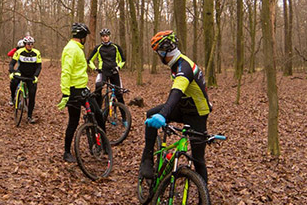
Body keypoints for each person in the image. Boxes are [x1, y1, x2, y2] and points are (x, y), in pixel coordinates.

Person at [139, 30, 213, 183]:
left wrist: (164, 114)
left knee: (198, 160)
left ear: (164, 52)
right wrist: (161, 113)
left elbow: (176, 92)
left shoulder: (183, 67)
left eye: (158, 53)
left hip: (197, 113)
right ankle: (146, 160)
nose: (158, 57)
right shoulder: (177, 63)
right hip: (184, 106)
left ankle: (204, 203)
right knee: (151, 113)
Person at [57, 22, 104, 162]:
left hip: (82, 89)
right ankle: (66, 152)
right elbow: (66, 71)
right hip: (73, 91)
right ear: (82, 36)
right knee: (74, 121)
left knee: (97, 113)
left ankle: (102, 144)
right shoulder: (72, 49)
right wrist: (66, 93)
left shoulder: (77, 48)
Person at [87, 27, 126, 110]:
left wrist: (118, 67)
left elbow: (123, 60)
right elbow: (89, 60)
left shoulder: (116, 47)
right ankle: (98, 111)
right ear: (101, 37)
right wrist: (95, 69)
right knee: (98, 89)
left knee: (119, 94)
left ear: (109, 36)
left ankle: (124, 117)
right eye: (103, 36)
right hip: (103, 72)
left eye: (107, 36)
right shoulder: (98, 48)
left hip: (114, 72)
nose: (105, 37)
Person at [8, 35, 42, 123]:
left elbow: (39, 66)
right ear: (25, 44)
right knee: (14, 82)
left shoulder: (36, 53)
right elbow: (12, 63)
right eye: (28, 44)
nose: (30, 45)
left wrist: (36, 76)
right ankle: (12, 97)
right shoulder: (19, 52)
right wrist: (12, 72)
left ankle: (30, 116)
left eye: (31, 44)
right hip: (21, 73)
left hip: (31, 76)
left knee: (32, 95)